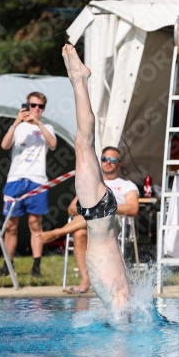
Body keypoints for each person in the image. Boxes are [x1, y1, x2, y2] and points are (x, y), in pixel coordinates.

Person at [61, 43, 129, 310]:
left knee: (83, 143)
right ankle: (80, 80)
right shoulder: (121, 301)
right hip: (97, 215)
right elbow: (123, 303)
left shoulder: (123, 294)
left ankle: (78, 80)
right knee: (83, 143)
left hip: (97, 216)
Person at [38, 146, 139, 293]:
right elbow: (72, 209)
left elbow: (133, 208)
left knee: (98, 213)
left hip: (114, 225)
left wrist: (105, 207)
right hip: (90, 224)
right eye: (104, 159)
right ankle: (85, 280)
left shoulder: (127, 185)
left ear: (119, 163)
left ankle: (59, 232)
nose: (108, 162)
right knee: (79, 233)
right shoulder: (92, 184)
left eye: (112, 160)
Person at [0, 91, 57, 278]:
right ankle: (7, 265)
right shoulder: (18, 127)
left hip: (37, 180)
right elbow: (4, 146)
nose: (36, 109)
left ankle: (36, 267)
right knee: (11, 225)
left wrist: (38, 123)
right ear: (26, 106)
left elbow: (53, 143)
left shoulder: (47, 127)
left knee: (35, 223)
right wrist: (16, 122)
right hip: (15, 179)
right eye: (32, 105)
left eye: (40, 106)